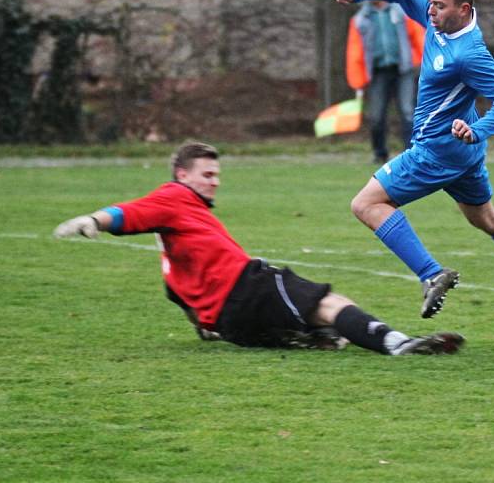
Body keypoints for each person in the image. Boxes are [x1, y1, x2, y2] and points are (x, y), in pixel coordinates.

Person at [53, 141, 464, 356]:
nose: (215, 182)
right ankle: (396, 343)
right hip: (246, 285)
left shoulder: (170, 260)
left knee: (310, 326)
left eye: (217, 175)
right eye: (207, 175)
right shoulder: (173, 197)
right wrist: (95, 221)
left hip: (231, 325)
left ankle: (309, 337)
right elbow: (129, 212)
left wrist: (205, 328)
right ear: (182, 175)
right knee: (328, 302)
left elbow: (181, 298)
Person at [331, 0, 494, 323]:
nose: (430, 11)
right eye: (429, 3)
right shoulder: (435, 11)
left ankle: (430, 273)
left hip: (437, 151)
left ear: (464, 9)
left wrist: (477, 130)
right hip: (462, 153)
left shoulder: (469, 54)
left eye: (439, 7)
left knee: (366, 204)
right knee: (485, 218)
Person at [346, 0, 424, 163]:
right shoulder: (360, 20)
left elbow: (419, 36)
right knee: (376, 115)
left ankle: (411, 152)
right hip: (378, 73)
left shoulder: (402, 12)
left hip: (403, 69)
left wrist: (424, 61)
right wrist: (358, 79)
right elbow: (354, 51)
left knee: (407, 111)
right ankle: (380, 153)